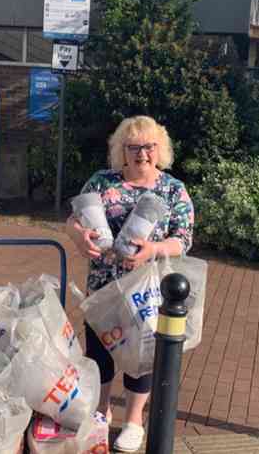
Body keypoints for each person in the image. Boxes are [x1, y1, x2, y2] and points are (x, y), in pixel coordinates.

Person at [66, 115, 195, 452]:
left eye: (149, 146)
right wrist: (79, 237)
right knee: (99, 353)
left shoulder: (173, 189)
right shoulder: (101, 181)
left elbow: (183, 239)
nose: (142, 153)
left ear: (160, 149)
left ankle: (134, 420)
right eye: (133, 147)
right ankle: (100, 410)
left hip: (147, 290)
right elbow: (73, 220)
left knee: (141, 355)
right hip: (103, 287)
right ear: (121, 150)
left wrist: (152, 249)